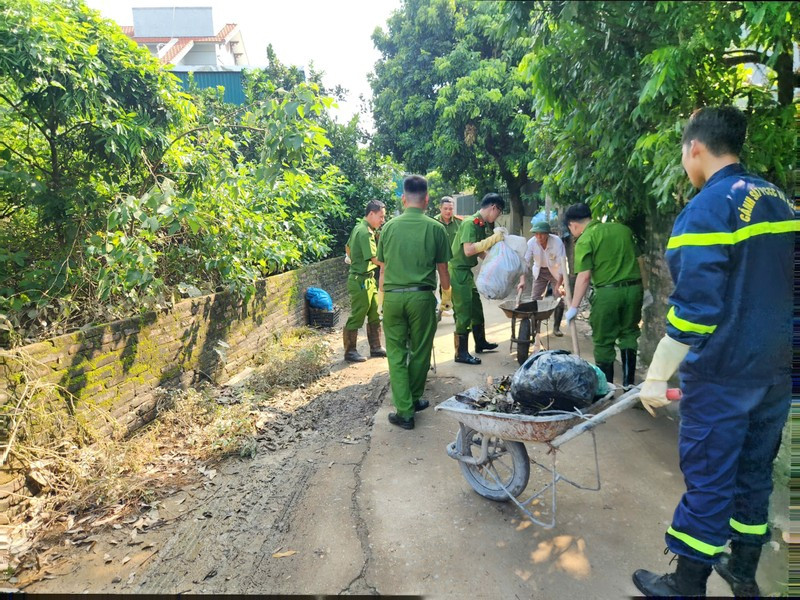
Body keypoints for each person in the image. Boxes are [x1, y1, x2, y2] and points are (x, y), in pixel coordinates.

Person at [632, 106, 795, 597]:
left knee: (709, 479)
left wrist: (658, 375)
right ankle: (742, 572)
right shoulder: (780, 201)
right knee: (753, 473)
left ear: (695, 148)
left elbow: (694, 313)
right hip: (775, 370)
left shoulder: (708, 208)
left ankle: (686, 584)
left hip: (725, 374)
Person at [377, 175, 452, 430]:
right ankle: (410, 403)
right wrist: (447, 298)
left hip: (394, 298)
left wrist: (381, 298)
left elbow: (384, 268)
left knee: (397, 354)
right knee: (420, 350)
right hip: (421, 297)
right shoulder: (436, 228)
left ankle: (406, 407)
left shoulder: (388, 228)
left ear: (403, 198)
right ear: (428, 200)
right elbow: (443, 269)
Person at [563, 202, 648, 386]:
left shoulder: (586, 239)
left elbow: (584, 277)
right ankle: (628, 385)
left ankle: (606, 389)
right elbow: (640, 260)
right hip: (634, 291)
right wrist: (646, 288)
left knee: (603, 341)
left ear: (573, 225)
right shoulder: (623, 230)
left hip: (607, 295)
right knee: (629, 335)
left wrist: (574, 307)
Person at [448, 193, 507, 365]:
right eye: (499, 212)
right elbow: (468, 250)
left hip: (465, 272)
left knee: (476, 308)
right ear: (493, 207)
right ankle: (461, 352)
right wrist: (493, 239)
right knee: (464, 311)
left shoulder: (480, 225)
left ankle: (480, 342)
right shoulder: (469, 223)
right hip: (458, 272)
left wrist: (495, 265)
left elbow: (480, 251)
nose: (497, 216)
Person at [342, 200, 386, 363]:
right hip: (360, 280)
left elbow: (347, 246)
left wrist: (351, 258)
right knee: (358, 314)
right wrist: (393, 264)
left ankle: (376, 347)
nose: (382, 220)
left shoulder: (360, 228)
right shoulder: (365, 232)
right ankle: (350, 351)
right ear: (371, 214)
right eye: (381, 217)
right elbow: (375, 259)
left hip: (368, 279)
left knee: (375, 312)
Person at [516, 220, 566, 337]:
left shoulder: (557, 242)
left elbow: (563, 265)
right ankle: (535, 327)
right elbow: (524, 263)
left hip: (556, 272)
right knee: (535, 298)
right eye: (536, 234)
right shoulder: (531, 243)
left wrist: (559, 284)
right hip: (540, 271)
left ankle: (556, 327)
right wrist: (522, 281)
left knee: (559, 299)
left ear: (548, 234)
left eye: (542, 234)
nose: (539, 236)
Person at [433, 196, 462, 313]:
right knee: (435, 286)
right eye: (445, 209)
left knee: (453, 287)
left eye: (450, 209)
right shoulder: (433, 222)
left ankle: (455, 312)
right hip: (437, 261)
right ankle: (438, 311)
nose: (448, 211)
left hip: (454, 261)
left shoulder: (460, 223)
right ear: (440, 208)